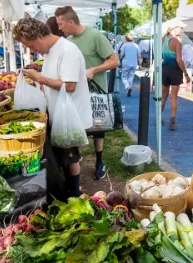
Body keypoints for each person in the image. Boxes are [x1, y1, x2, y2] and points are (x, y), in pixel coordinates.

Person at [15, 18, 92, 197]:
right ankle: (67, 190)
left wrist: (40, 78)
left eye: (32, 45)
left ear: (39, 36)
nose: (32, 50)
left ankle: (73, 193)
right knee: (64, 155)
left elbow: (70, 86)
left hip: (70, 116)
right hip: (59, 113)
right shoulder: (51, 51)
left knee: (70, 156)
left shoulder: (67, 51)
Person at [55, 6, 120, 180]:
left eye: (61, 24)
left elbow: (115, 61)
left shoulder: (96, 36)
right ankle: (77, 157)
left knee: (98, 129)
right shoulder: (68, 40)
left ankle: (99, 161)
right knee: (78, 126)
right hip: (76, 92)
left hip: (96, 92)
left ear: (71, 21)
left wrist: (94, 69)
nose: (60, 28)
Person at [161, 19, 190, 130]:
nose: (182, 30)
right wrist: (186, 74)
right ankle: (172, 121)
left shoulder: (163, 39)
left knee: (163, 96)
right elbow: (179, 59)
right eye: (181, 28)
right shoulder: (177, 42)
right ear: (174, 28)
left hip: (165, 69)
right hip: (175, 70)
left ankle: (159, 117)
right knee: (174, 97)